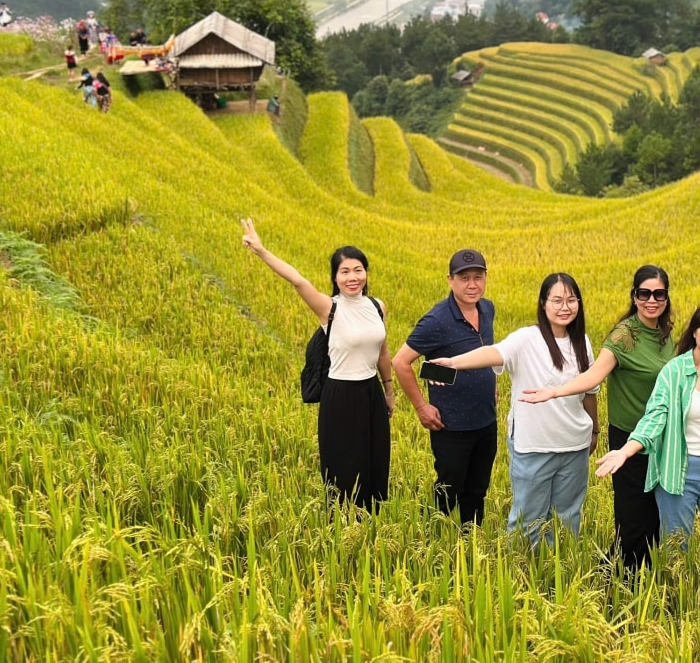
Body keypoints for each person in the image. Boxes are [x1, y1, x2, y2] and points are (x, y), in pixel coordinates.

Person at [521, 265, 675, 570]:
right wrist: (556, 392)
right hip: (630, 439)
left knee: (656, 516)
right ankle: (622, 582)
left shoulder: (666, 333)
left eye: (659, 294)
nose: (651, 300)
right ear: (634, 296)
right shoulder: (623, 337)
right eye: (644, 293)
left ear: (667, 298)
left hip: (664, 437)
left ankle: (630, 571)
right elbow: (593, 376)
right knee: (634, 518)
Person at [240, 218, 393, 510]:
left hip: (371, 393)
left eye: (357, 270)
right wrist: (261, 251)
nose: (352, 277)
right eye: (344, 271)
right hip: (341, 396)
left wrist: (388, 389)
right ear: (335, 277)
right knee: (345, 470)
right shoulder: (329, 308)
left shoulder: (377, 306)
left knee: (374, 463)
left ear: (366, 272)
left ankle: (373, 527)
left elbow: (383, 351)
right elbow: (297, 279)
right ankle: (344, 530)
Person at [436, 273, 597, 544]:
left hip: (574, 446)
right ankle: (521, 578)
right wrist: (454, 363)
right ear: (543, 304)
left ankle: (558, 576)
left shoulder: (583, 342)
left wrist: (595, 430)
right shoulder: (527, 339)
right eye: (557, 300)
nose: (564, 307)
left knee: (568, 519)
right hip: (534, 447)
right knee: (527, 523)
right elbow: (494, 353)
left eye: (571, 300)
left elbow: (590, 393)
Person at [596, 300, 700, 564]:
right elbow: (655, 417)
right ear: (695, 331)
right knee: (676, 552)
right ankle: (676, 601)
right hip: (679, 471)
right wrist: (626, 451)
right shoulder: (673, 372)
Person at [391, 249, 497, 526]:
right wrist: (421, 407)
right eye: (464, 278)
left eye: (478, 277)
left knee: (477, 489)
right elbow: (401, 362)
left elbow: (485, 352)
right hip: (451, 425)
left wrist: (491, 382)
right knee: (449, 490)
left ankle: (470, 540)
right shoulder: (436, 320)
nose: (472, 284)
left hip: (486, 420)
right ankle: (436, 537)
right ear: (450, 280)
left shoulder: (487, 309)